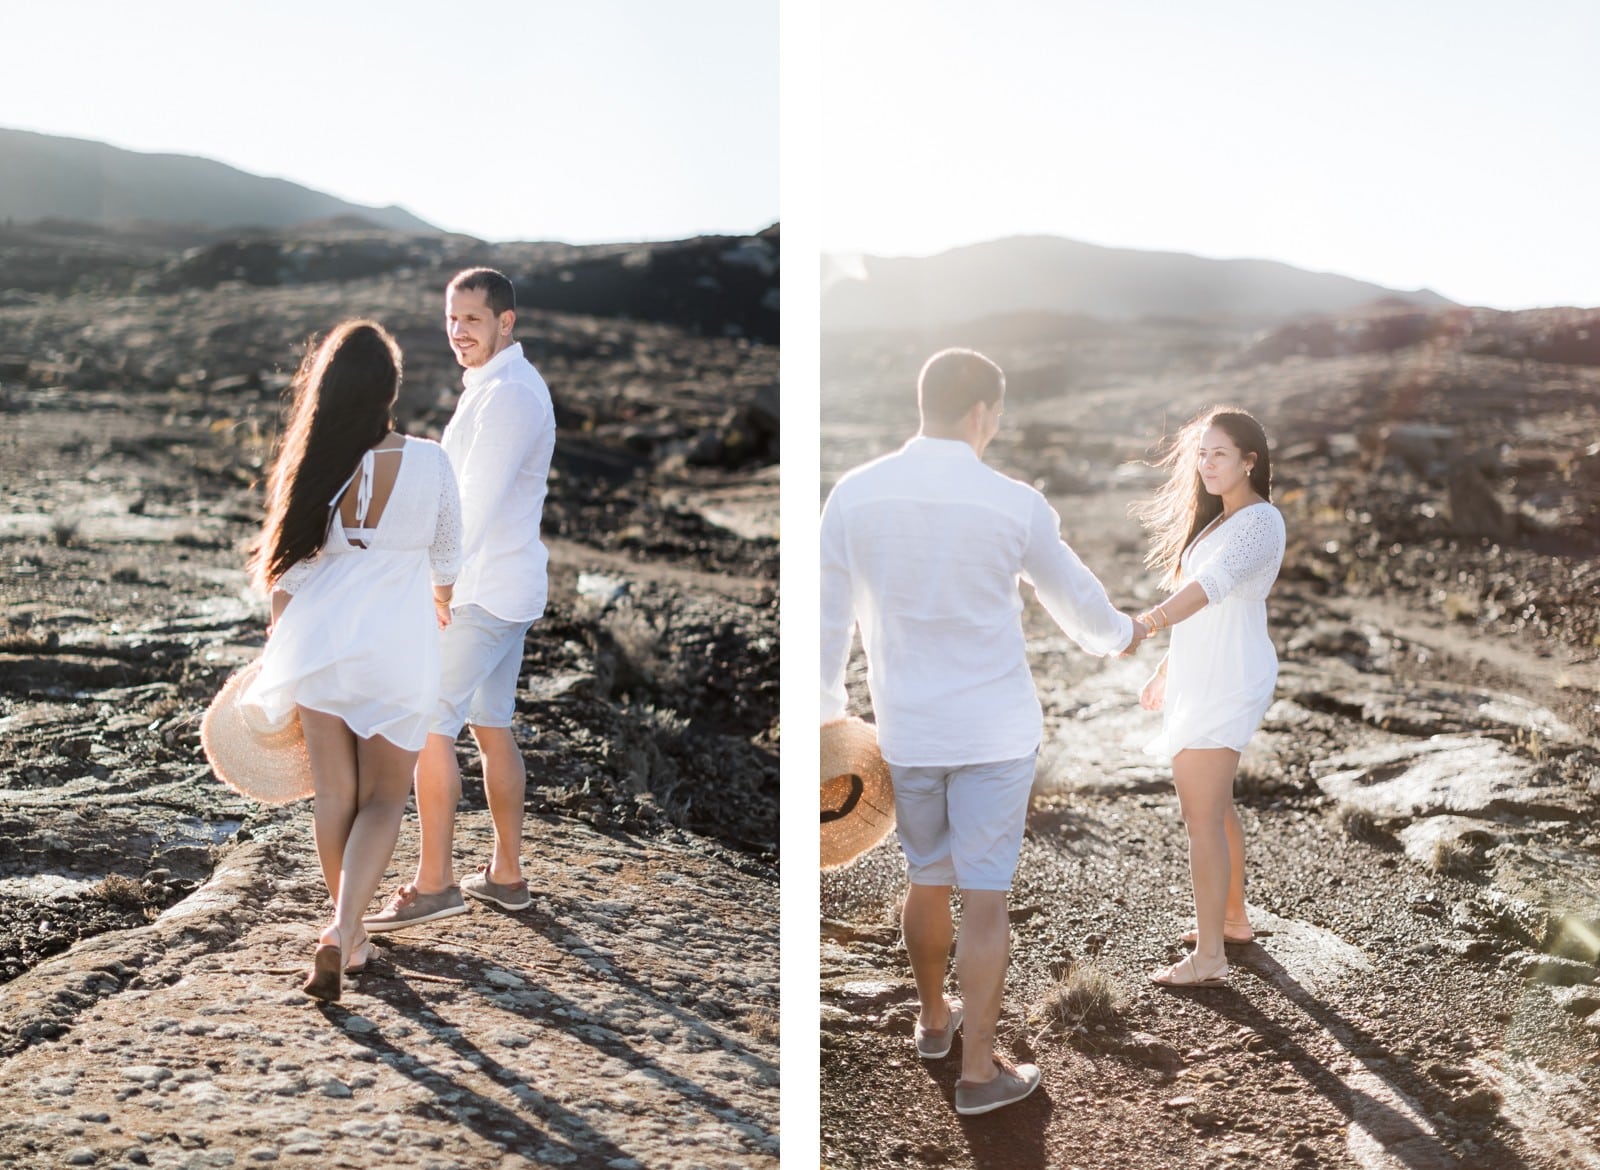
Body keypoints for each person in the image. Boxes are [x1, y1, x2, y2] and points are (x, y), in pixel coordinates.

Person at [820, 348, 1145, 1116]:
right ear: (981, 415)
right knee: (987, 900)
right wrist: (1122, 634)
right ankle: (977, 1075)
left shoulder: (854, 495)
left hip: (908, 729)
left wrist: (825, 715)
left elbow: (826, 615)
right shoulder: (1015, 503)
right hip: (996, 730)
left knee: (926, 876)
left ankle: (934, 1024)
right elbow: (1080, 604)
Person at [242, 319, 462, 1001]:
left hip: (321, 640)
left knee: (335, 795)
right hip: (397, 640)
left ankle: (350, 936)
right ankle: (343, 930)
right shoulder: (429, 460)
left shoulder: (317, 461)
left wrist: (286, 647)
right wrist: (441, 599)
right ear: (391, 389)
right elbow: (450, 554)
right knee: (384, 798)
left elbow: (287, 576)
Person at [364, 267, 556, 933]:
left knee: (428, 723)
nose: (458, 332)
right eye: (451, 319)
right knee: (491, 723)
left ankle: (435, 883)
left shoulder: (510, 397)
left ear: (507, 322)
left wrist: (435, 584)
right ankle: (506, 876)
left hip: (480, 590)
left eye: (471, 319)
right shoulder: (495, 388)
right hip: (503, 585)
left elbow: (472, 505)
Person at [1132, 407, 1285, 988]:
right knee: (1215, 808)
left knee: (1199, 817)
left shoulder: (1260, 521)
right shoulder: (1218, 523)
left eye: (1219, 453)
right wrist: (1167, 668)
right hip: (1203, 672)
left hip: (1228, 676)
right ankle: (1232, 921)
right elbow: (1203, 607)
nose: (1206, 464)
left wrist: (1145, 624)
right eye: (1201, 453)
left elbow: (1209, 589)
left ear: (1250, 460)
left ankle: (1211, 955)